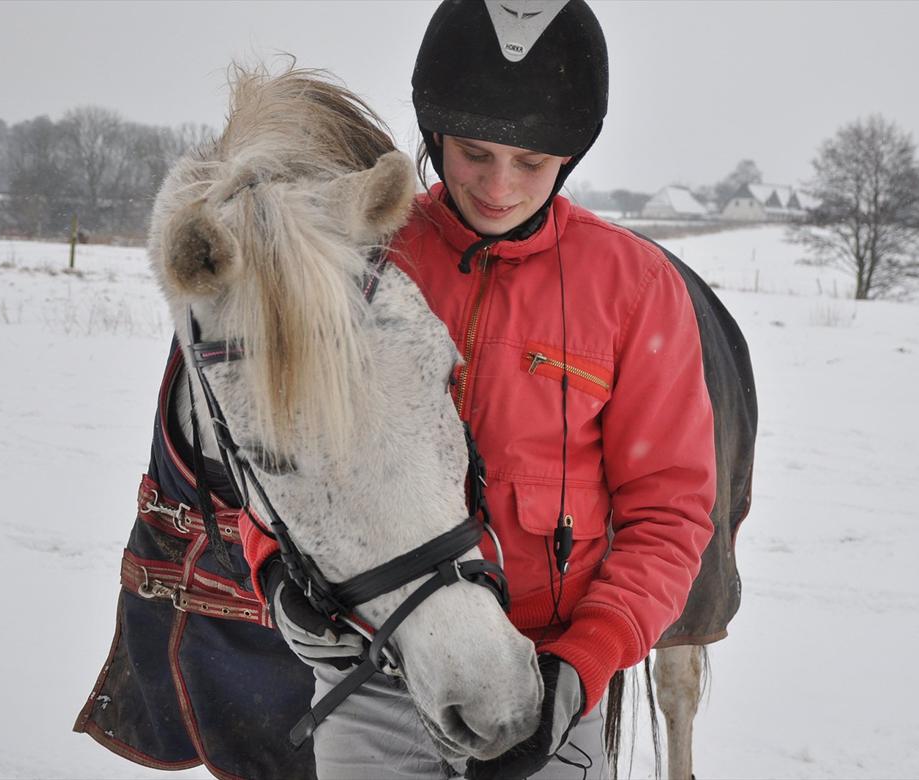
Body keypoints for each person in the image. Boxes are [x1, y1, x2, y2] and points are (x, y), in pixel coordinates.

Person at [261, 1, 717, 778]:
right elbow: (272, 452)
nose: (499, 187)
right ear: (434, 135)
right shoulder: (364, 259)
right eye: (474, 154)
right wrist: (272, 569)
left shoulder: (636, 290)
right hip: (377, 683)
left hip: (547, 683)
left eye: (530, 163)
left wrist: (579, 671)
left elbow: (667, 517)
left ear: (568, 158)